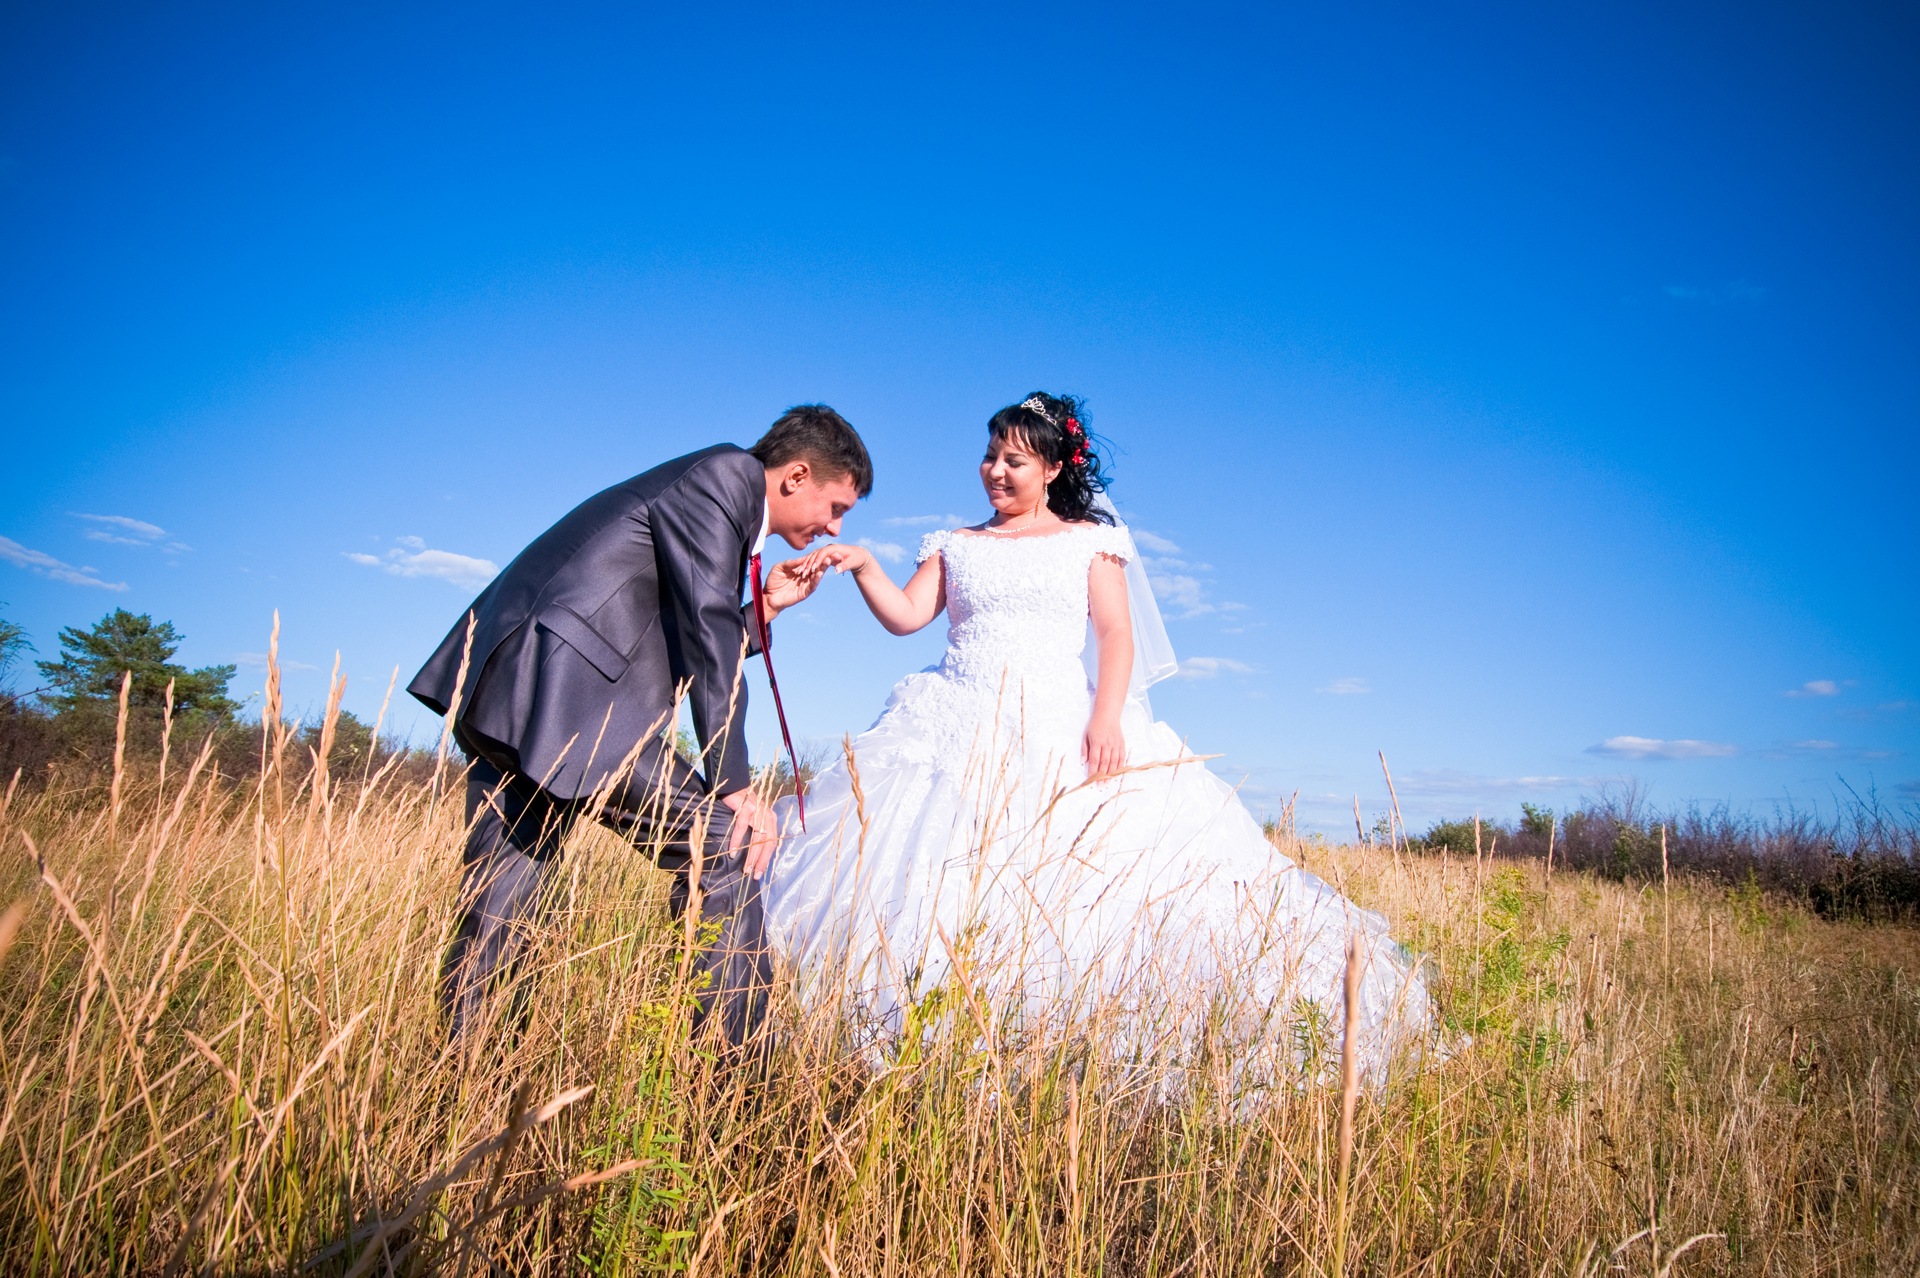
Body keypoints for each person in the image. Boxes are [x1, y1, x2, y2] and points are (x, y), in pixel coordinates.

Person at [763, 393, 1429, 1080]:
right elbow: (906, 617)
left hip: (1057, 722)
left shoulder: (1089, 543)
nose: (995, 470)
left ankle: (1066, 1047)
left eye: (1014, 460)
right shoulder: (956, 546)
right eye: (990, 455)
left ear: (1052, 467)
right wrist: (866, 566)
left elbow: (1116, 634)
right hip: (954, 717)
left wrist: (1105, 717)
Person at [407, 405, 868, 1046]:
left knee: (498, 904)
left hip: (520, 690)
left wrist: (762, 609)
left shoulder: (704, 489)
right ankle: (733, 1087)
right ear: (795, 475)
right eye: (837, 506)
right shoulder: (728, 476)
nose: (832, 526)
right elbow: (704, 628)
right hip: (574, 702)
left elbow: (679, 628)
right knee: (726, 849)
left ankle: (470, 1089)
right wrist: (731, 782)